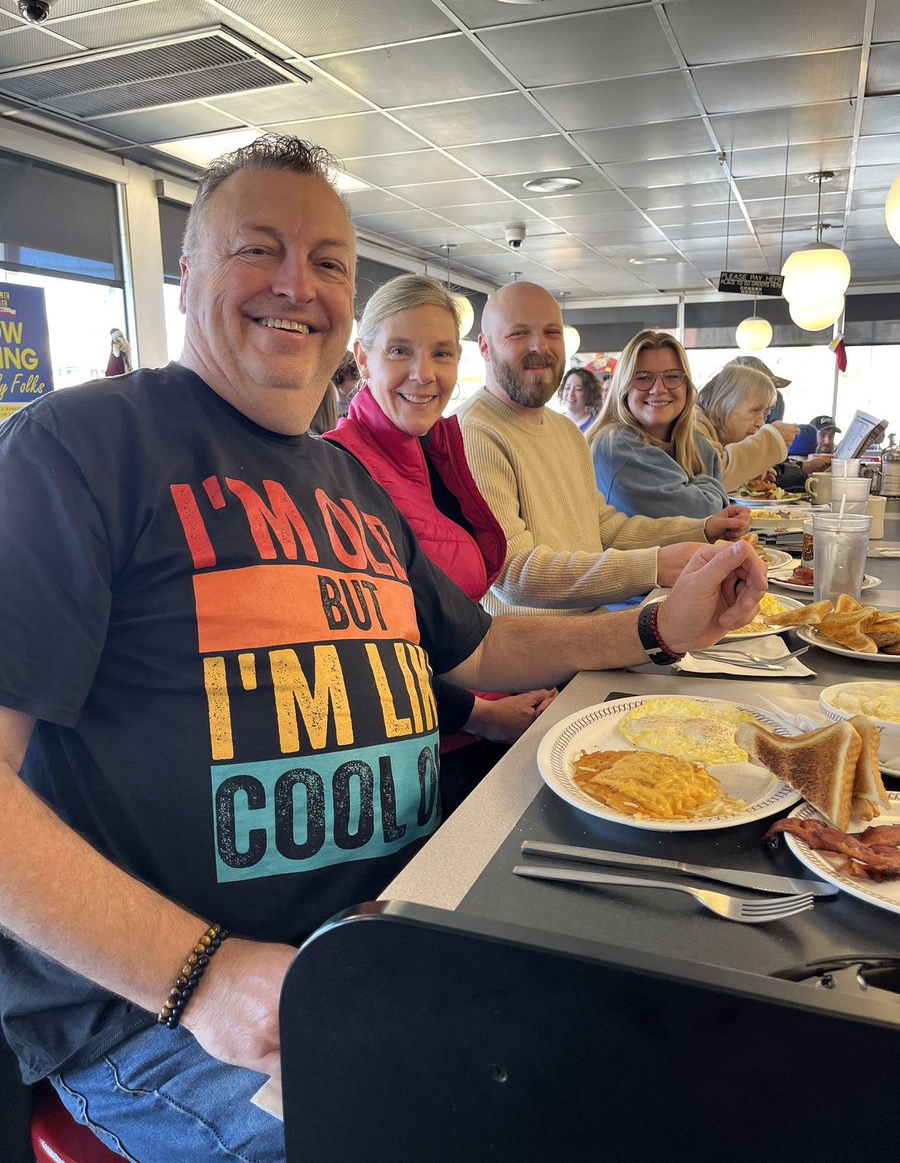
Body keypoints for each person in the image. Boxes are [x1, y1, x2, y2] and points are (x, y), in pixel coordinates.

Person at [0, 135, 767, 1163]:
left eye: (326, 263)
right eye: (257, 250)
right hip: (166, 1020)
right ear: (186, 279)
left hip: (395, 932)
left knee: (683, 1051)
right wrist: (200, 976)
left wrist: (653, 627)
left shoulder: (345, 482)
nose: (296, 286)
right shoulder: (80, 445)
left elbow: (481, 650)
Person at [324, 273, 556, 813]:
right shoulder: (341, 470)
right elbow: (365, 659)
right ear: (363, 357)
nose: (423, 375)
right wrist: (485, 714)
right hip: (418, 755)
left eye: (441, 353)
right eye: (400, 351)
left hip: (471, 710)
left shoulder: (434, 451)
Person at [456, 282, 752, 618]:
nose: (539, 346)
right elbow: (514, 576)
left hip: (589, 625)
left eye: (552, 332)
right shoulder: (474, 433)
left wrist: (702, 528)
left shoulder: (565, 430)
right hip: (532, 650)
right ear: (484, 347)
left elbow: (604, 527)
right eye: (518, 334)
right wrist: (654, 565)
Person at [587, 330, 729, 519]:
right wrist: (710, 491)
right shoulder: (615, 446)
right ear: (624, 387)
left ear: (686, 385)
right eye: (643, 377)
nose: (658, 389)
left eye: (671, 376)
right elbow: (703, 515)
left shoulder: (697, 445)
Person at [696, 363, 799, 491]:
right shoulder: (694, 425)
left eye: (766, 414)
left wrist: (747, 473)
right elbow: (714, 479)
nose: (761, 423)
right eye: (755, 410)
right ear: (720, 406)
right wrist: (772, 440)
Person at [558, 366, 602, 432]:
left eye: (578, 389)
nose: (571, 393)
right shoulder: (554, 421)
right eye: (567, 388)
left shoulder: (596, 426)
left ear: (588, 393)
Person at [332, 350, 359, 418]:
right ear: (338, 379)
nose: (358, 383)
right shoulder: (330, 410)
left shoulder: (361, 405)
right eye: (353, 378)